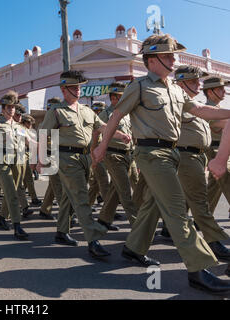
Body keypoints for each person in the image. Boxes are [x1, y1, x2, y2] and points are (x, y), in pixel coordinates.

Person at [93, 34, 230, 294]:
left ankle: (133, 248)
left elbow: (201, 111)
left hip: (173, 153)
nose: (174, 59)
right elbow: (116, 116)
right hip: (151, 154)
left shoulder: (175, 89)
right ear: (152, 59)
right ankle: (198, 270)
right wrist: (101, 147)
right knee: (178, 210)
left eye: (174, 55)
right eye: (168, 56)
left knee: (155, 204)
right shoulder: (140, 87)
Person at [37, 70, 131, 258]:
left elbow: (101, 126)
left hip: (85, 158)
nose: (77, 91)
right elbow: (43, 135)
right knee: (81, 197)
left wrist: (120, 135)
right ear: (64, 90)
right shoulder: (57, 111)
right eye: (73, 88)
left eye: (79, 87)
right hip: (66, 158)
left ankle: (61, 232)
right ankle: (93, 241)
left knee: (69, 197)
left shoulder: (87, 110)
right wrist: (40, 160)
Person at [174, 65, 230, 261]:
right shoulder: (192, 106)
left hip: (202, 156)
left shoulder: (194, 105)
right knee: (198, 201)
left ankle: (136, 245)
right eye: (221, 88)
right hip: (198, 155)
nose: (224, 91)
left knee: (198, 200)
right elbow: (217, 124)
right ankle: (210, 242)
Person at [0, 90, 30, 240]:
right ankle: (17, 225)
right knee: (12, 194)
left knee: (12, 192)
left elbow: (29, 141)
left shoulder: (18, 126)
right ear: (3, 109)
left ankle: (2, 218)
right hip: (2, 163)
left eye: (13, 107)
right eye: (8, 107)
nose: (11, 110)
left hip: (17, 161)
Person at [95, 84, 138, 231]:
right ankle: (138, 227)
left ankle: (104, 219)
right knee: (125, 192)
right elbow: (95, 132)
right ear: (113, 98)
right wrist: (94, 153)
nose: (120, 99)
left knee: (115, 189)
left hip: (128, 155)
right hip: (113, 155)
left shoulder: (125, 113)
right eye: (118, 97)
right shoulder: (105, 114)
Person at [202, 77, 230, 214]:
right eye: (220, 89)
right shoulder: (206, 110)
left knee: (213, 188)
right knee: (228, 179)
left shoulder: (220, 110)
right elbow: (223, 123)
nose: (224, 91)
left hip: (222, 150)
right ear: (210, 92)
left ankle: (202, 218)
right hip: (215, 151)